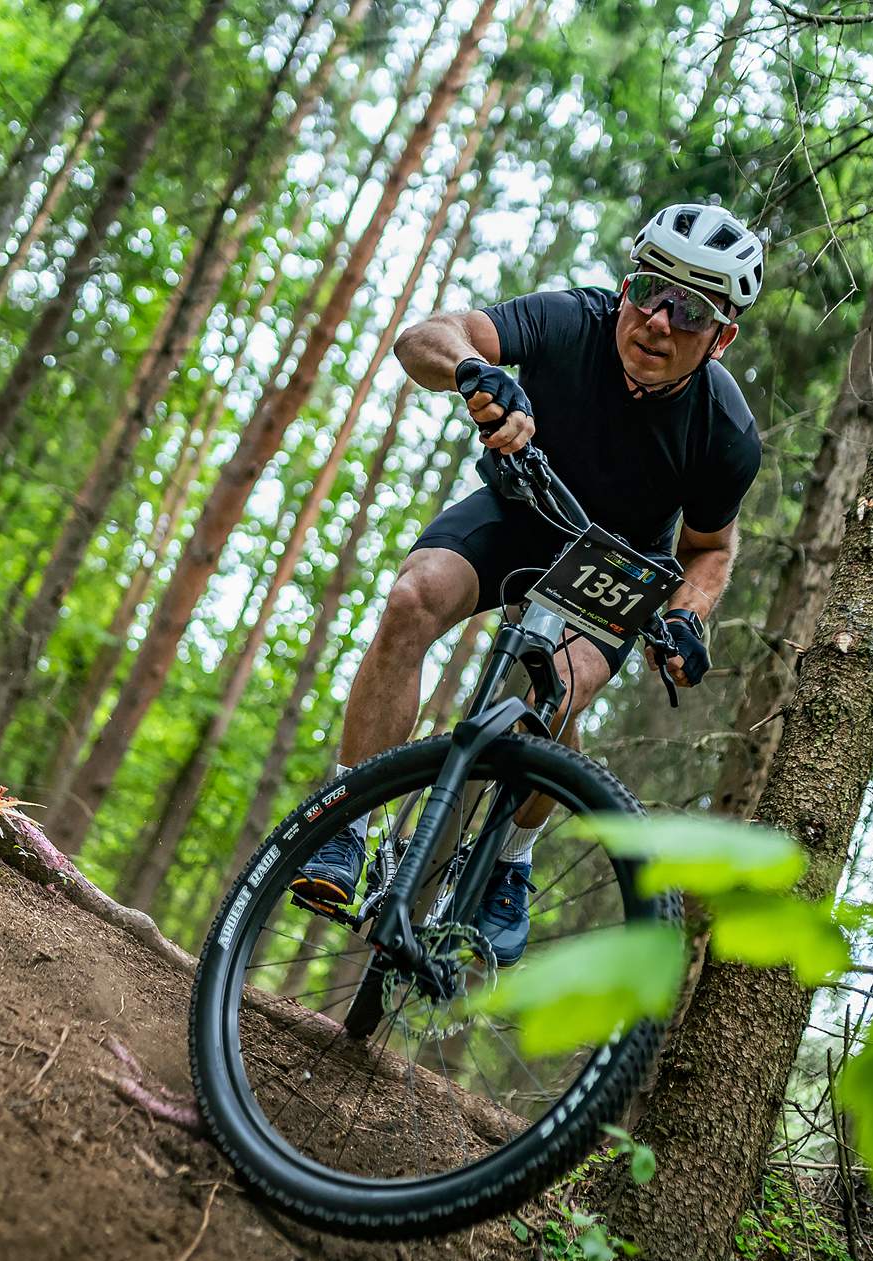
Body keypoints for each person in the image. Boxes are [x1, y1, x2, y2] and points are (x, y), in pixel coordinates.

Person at [289, 199, 767, 965]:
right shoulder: (571, 320)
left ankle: (508, 859)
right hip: (519, 511)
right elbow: (425, 338)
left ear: (721, 337)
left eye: (690, 310)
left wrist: (689, 615)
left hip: (613, 563)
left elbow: (709, 548)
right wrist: (473, 371)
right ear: (626, 286)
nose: (657, 322)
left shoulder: (727, 430)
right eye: (649, 290)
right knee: (413, 598)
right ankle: (345, 827)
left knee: (557, 694)